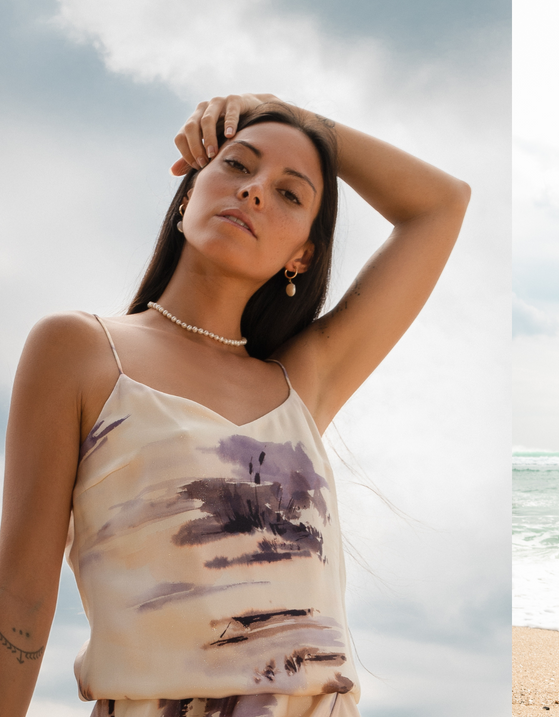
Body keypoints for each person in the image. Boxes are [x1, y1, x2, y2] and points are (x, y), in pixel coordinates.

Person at [0, 94, 470, 717]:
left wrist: (289, 113)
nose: (254, 192)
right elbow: (22, 597)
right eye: (238, 166)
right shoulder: (80, 350)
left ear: (301, 254)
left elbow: (441, 205)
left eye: (289, 194)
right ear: (191, 189)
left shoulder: (301, 383)